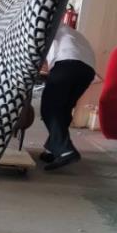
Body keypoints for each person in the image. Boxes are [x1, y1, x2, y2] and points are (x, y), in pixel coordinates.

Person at [39, 24, 96, 171]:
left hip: (66, 63)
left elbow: (36, 56)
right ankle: (51, 150)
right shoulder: (70, 31)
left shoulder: (46, 27)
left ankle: (66, 151)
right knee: (63, 109)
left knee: (50, 108)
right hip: (88, 70)